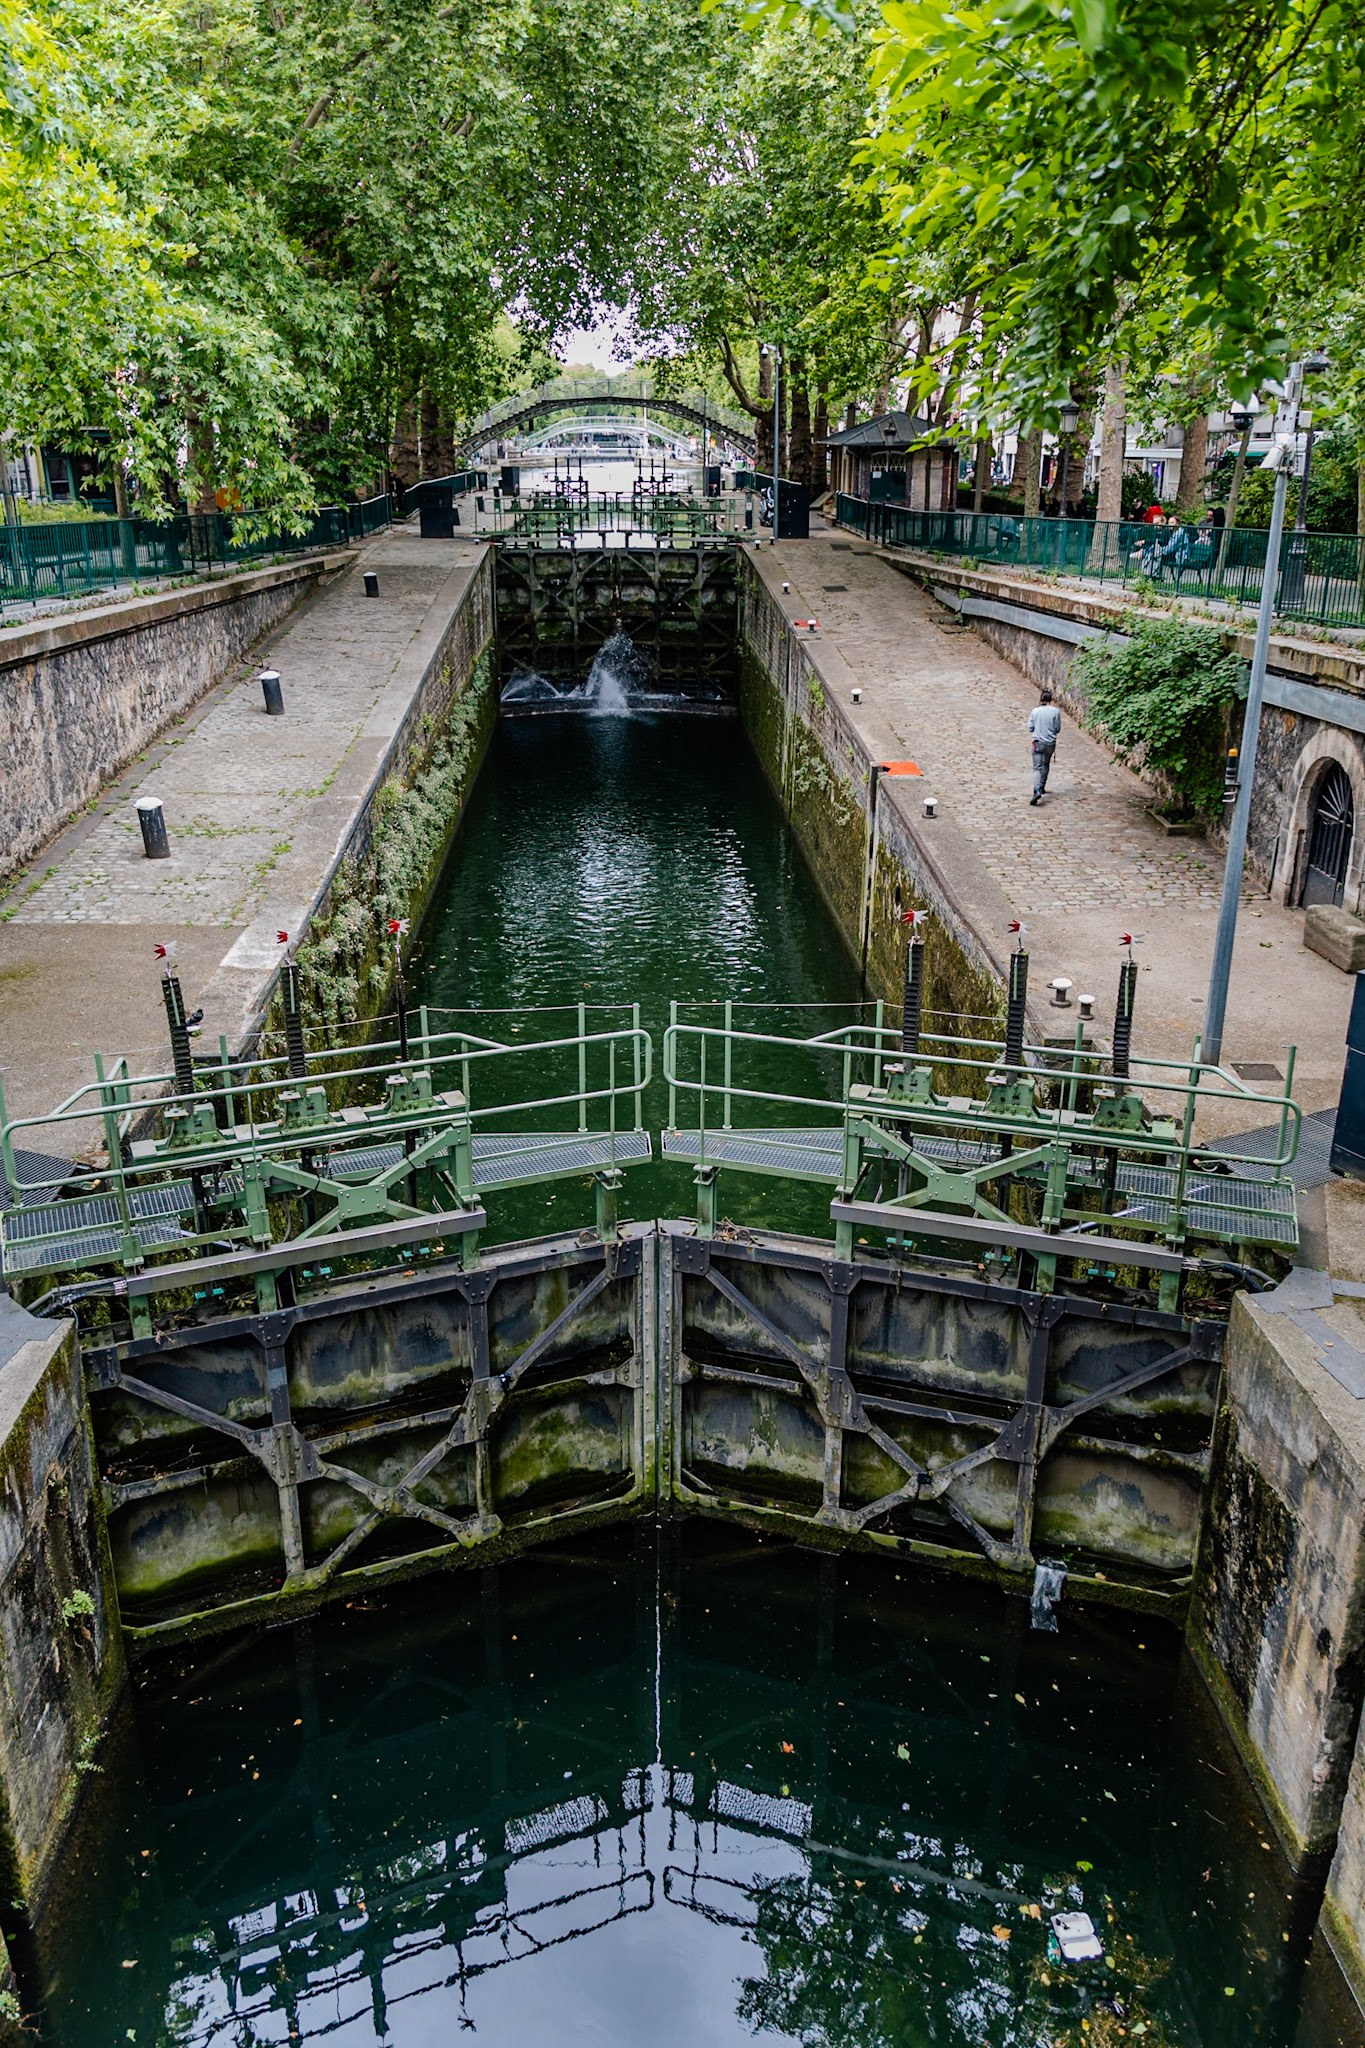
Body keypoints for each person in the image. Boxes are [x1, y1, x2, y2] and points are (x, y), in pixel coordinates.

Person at [1029, 688, 1062, 804]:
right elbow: (1057, 729)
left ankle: (1036, 790)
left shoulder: (1035, 711)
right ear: (1050, 700)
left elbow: (1030, 728)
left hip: (1038, 743)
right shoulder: (1055, 712)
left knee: (1037, 768)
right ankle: (1042, 786)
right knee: (1046, 764)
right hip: (1050, 743)